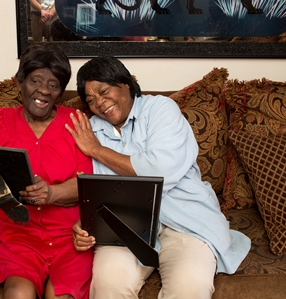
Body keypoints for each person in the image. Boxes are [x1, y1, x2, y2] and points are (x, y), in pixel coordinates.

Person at [65, 56, 251, 299]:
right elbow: (94, 187)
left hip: (185, 220)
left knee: (190, 289)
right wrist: (86, 223)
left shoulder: (161, 109)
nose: (100, 103)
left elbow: (159, 171)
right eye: (91, 100)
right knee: (108, 287)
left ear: (127, 84)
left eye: (104, 91)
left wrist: (97, 150)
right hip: (125, 225)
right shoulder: (91, 130)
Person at [0, 43, 93, 299]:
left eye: (54, 85)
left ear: (61, 92)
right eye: (35, 80)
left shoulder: (75, 122)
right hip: (18, 234)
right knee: (18, 294)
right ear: (19, 81)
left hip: (69, 236)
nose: (44, 90)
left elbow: (87, 182)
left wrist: (51, 193)